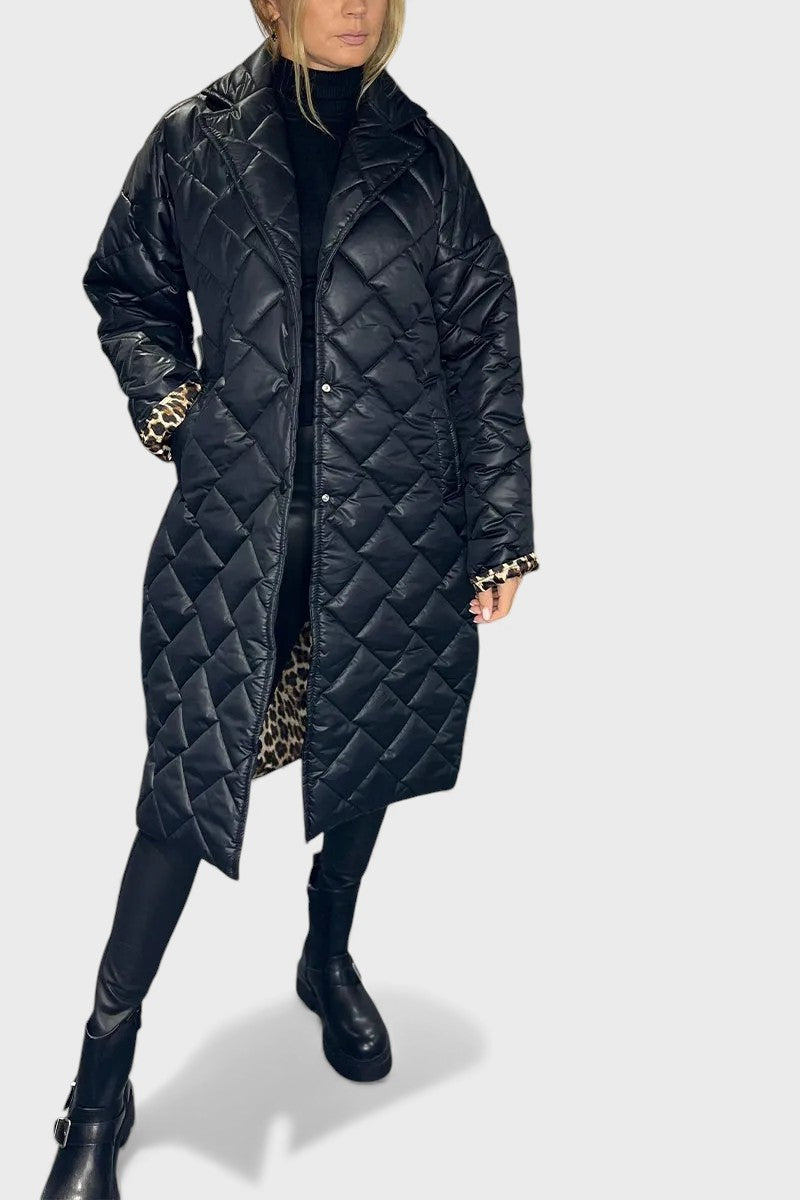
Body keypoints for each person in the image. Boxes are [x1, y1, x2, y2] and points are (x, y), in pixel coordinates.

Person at [40, 1, 539, 1196]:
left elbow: (482, 348)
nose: (355, 5)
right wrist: (176, 409)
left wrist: (498, 534)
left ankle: (325, 953)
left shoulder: (424, 160)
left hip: (396, 528)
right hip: (237, 532)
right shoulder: (194, 140)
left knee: (364, 748)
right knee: (180, 793)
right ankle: (100, 1081)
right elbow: (126, 286)